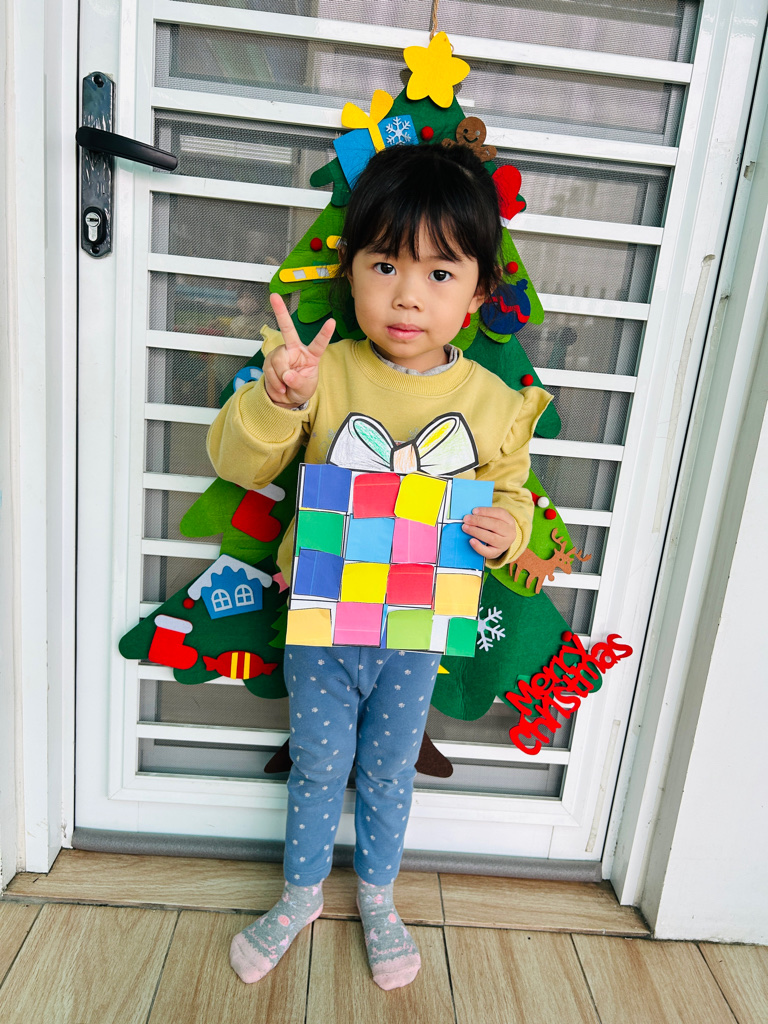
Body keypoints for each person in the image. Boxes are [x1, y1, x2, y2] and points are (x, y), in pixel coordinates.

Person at [207, 142, 551, 991]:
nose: (407, 295)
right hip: (323, 621)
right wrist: (276, 398)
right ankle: (299, 896)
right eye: (386, 264)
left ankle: (379, 898)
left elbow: (513, 494)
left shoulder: (493, 403)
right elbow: (238, 464)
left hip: (415, 630)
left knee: (390, 770)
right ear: (352, 271)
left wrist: (507, 529)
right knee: (319, 764)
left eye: (440, 273)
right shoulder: (320, 373)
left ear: (478, 292)